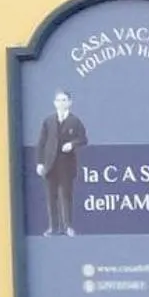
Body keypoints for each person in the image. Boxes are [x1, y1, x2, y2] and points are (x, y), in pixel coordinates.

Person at [35, 90, 87, 236]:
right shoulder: (48, 121)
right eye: (59, 100)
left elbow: (83, 138)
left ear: (70, 102)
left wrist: (72, 144)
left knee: (66, 195)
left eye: (64, 100)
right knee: (51, 196)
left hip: (66, 165)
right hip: (50, 164)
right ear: (54, 103)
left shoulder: (75, 121)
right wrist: (40, 162)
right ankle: (53, 227)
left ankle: (68, 226)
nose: (61, 103)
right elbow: (41, 143)